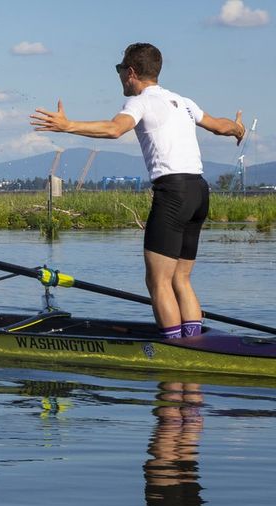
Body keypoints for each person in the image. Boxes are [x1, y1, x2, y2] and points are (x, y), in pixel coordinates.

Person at [30, 42, 246, 339]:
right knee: (181, 279)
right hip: (199, 191)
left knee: (158, 282)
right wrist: (239, 128)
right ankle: (195, 344)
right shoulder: (182, 101)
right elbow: (220, 127)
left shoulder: (140, 102)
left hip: (173, 193)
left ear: (131, 72)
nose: (119, 76)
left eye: (120, 70)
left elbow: (114, 129)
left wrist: (67, 126)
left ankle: (175, 347)